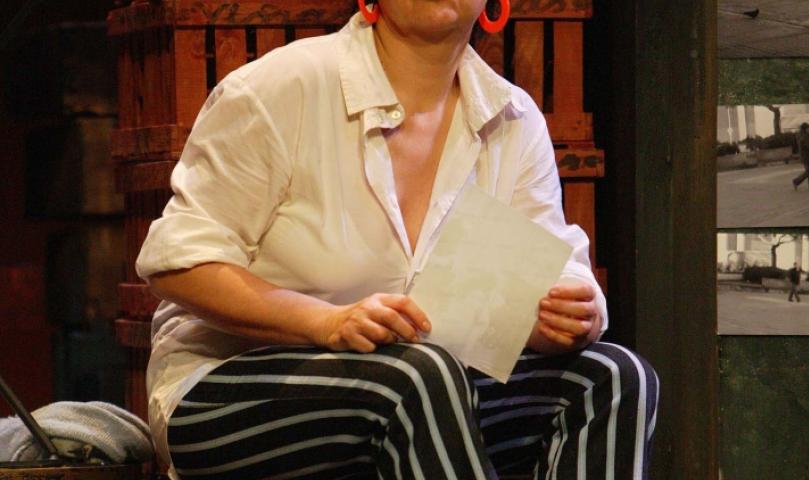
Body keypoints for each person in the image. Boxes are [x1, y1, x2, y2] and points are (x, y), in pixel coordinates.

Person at [135, 1, 659, 479]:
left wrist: (566, 314)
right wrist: (325, 322)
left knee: (614, 376)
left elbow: (554, 268)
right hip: (227, 387)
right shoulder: (283, 88)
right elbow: (180, 263)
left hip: (434, 385)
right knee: (417, 376)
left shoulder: (512, 119)